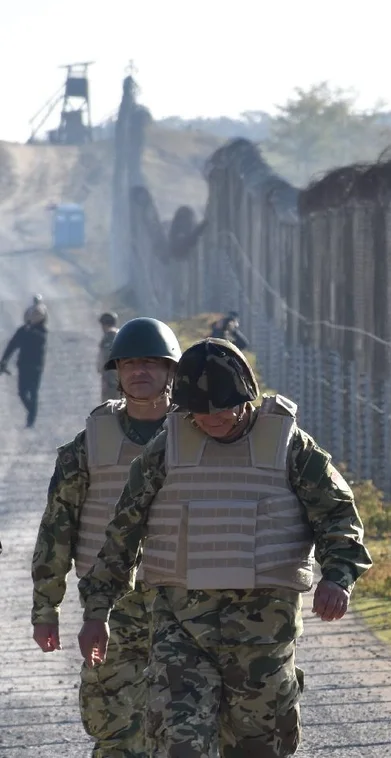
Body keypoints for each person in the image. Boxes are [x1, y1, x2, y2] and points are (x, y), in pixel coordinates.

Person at [78, 338, 372, 757]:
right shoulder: (167, 449)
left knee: (257, 749)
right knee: (180, 746)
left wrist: (339, 577)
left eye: (221, 410)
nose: (211, 420)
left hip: (262, 635)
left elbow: (338, 516)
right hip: (180, 629)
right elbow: (122, 532)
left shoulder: (289, 446)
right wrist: (96, 611)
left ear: (245, 399)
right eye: (198, 412)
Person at [32, 317, 182, 758]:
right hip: (112, 608)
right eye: (130, 362)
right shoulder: (87, 447)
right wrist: (46, 607)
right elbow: (57, 528)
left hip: (191, 608)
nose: (140, 371)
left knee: (188, 728)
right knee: (115, 728)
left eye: (152, 362)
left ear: (171, 371)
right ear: (116, 372)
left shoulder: (200, 437)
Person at [1, 297, 50, 427]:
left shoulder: (41, 332)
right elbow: (11, 346)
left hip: (36, 367)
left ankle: (31, 419)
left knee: (33, 392)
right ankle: (32, 412)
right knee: (22, 393)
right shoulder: (23, 331)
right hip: (23, 366)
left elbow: (39, 342)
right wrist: (4, 360)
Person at [98, 312, 120, 402]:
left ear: (104, 324)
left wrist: (106, 379)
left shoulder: (109, 338)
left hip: (111, 381)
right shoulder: (121, 335)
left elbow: (106, 360)